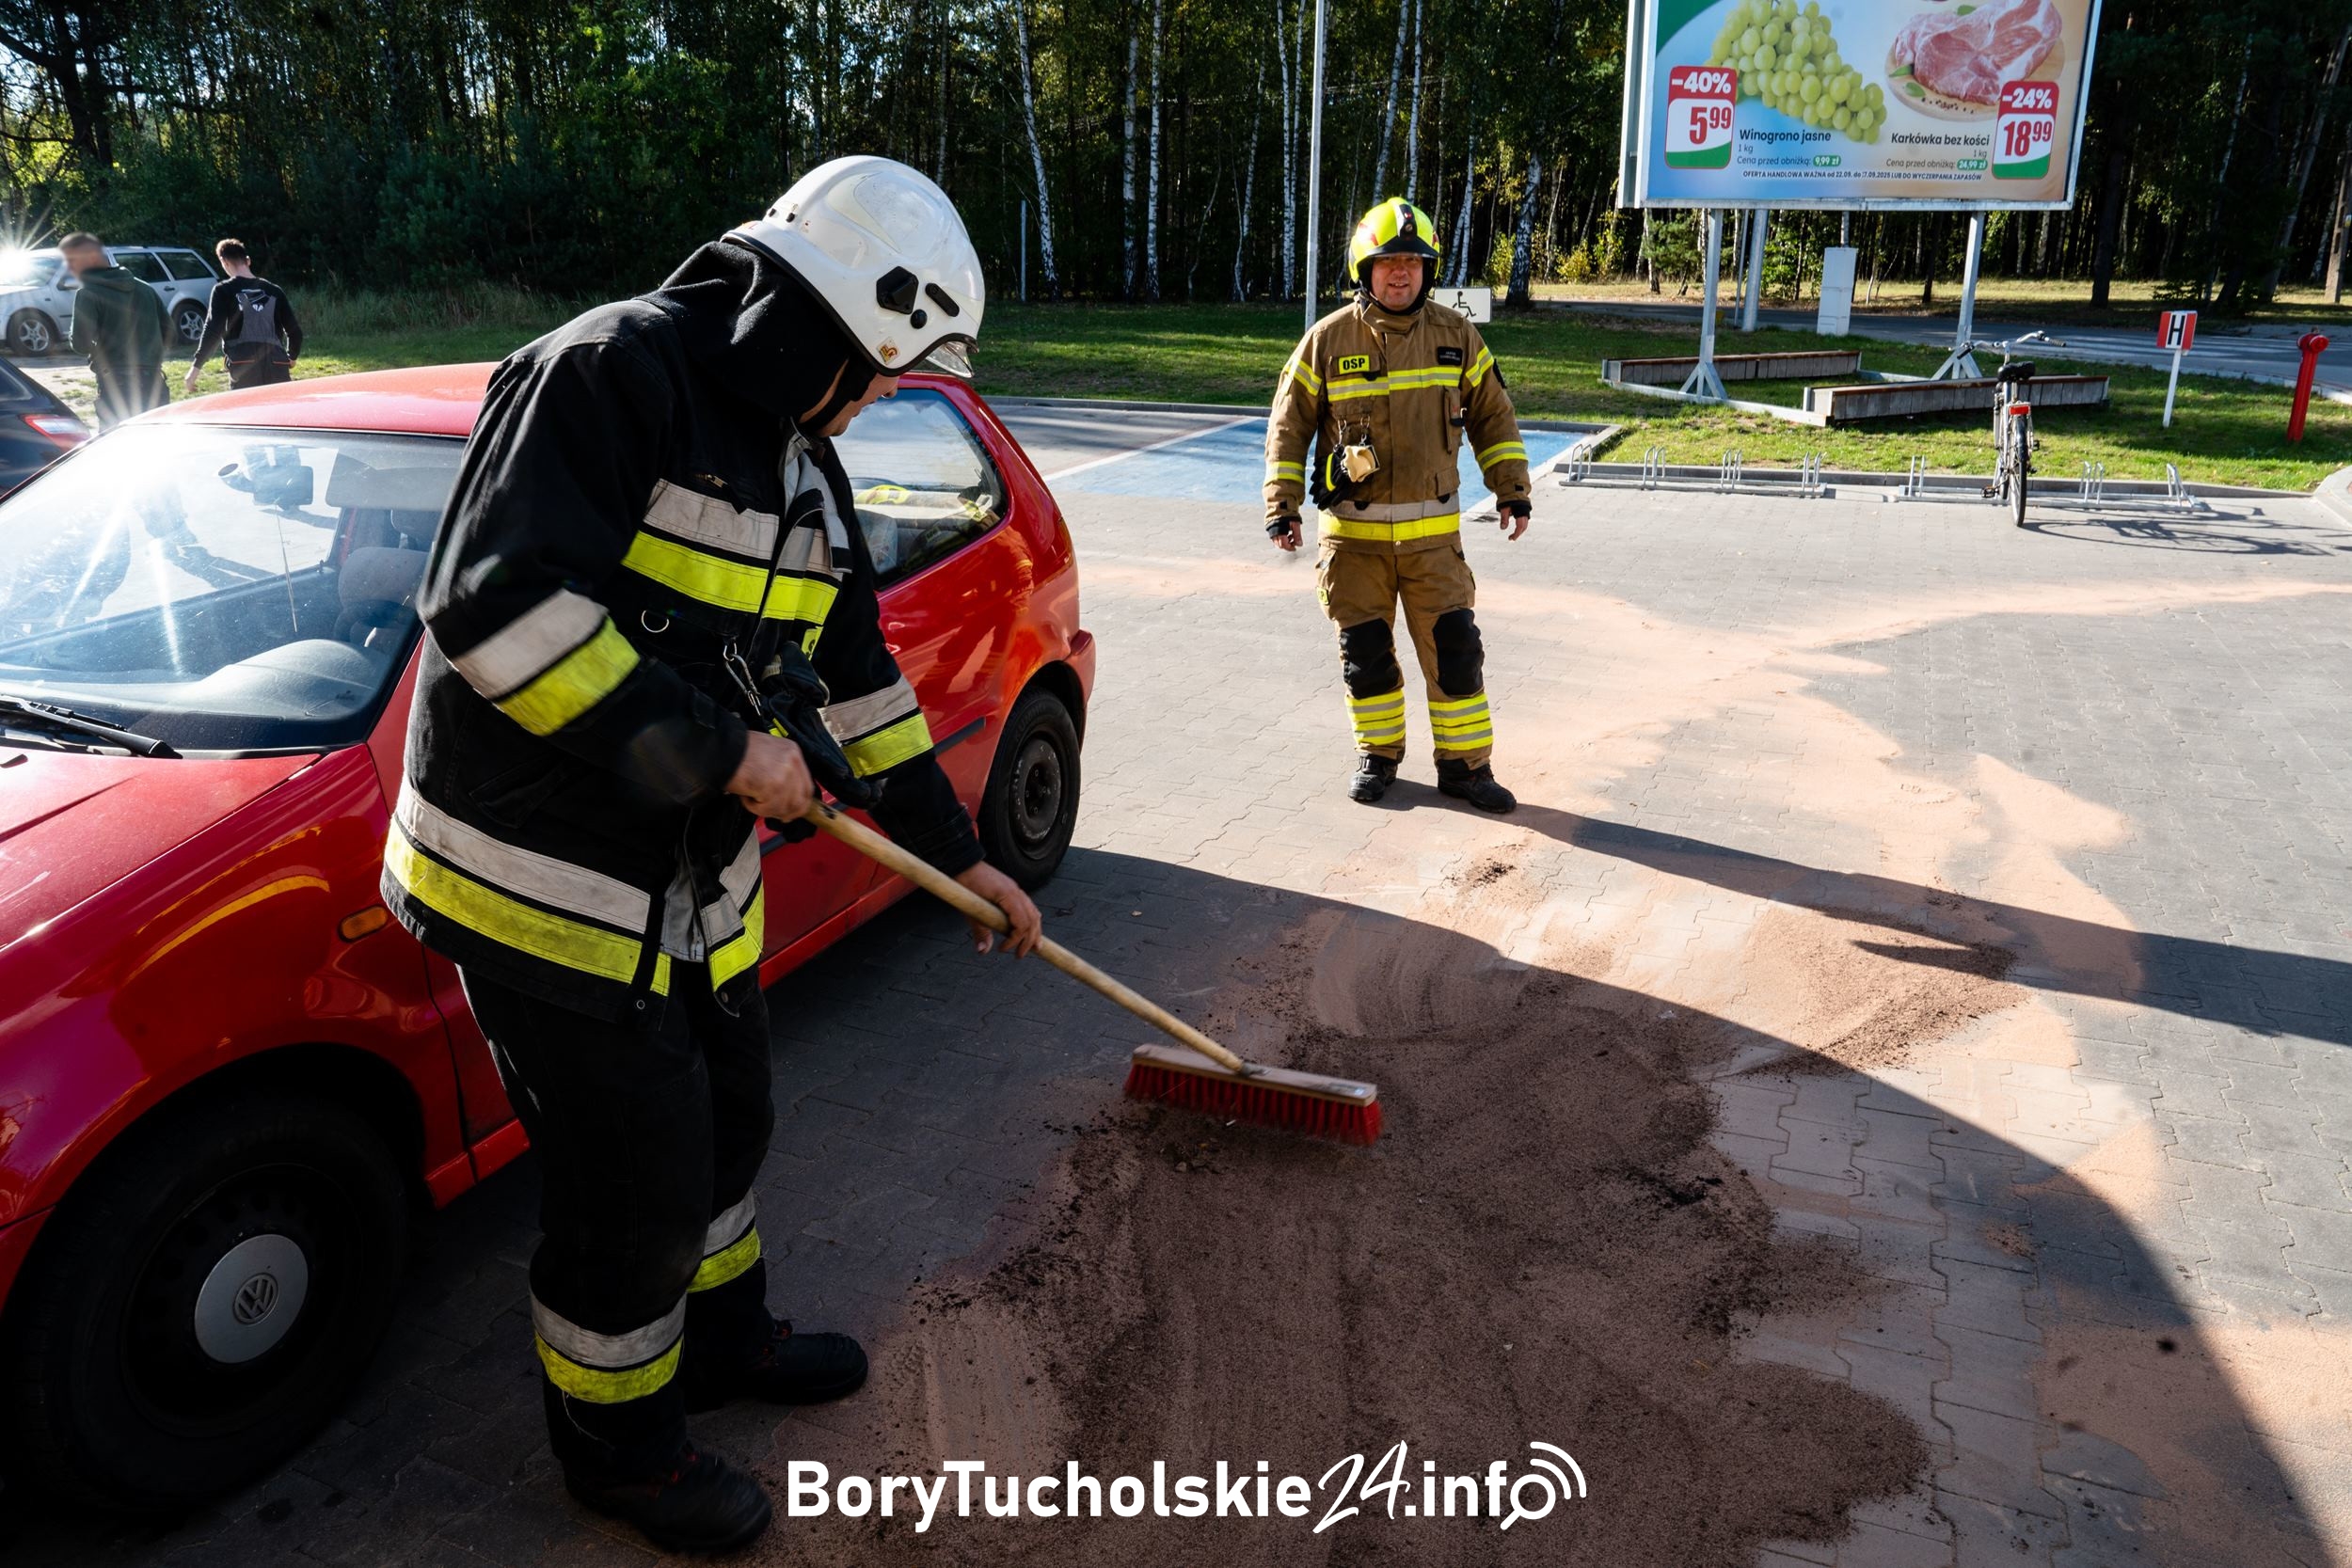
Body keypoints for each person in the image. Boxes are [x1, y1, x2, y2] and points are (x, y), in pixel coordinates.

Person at [380, 156, 1041, 1554]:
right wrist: (725, 753)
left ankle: (724, 1338)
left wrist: (964, 855)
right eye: (875, 372)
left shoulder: (802, 461)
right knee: (636, 1176)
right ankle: (618, 1442)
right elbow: (492, 609)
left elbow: (857, 678)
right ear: (822, 321)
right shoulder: (607, 374)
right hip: (540, 882)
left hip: (687, 877)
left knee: (731, 1113)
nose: (871, 404)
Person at [1263, 197, 1533, 814]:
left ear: (1427, 270)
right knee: (1367, 661)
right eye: (1388, 262)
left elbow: (1494, 415)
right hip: (1353, 546)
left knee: (1457, 656)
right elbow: (1288, 426)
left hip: (1434, 545)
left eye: (1413, 261)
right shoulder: (1328, 340)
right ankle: (1379, 759)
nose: (1401, 272)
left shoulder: (1456, 335)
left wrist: (1512, 490)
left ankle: (1466, 769)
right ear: (1365, 269)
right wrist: (1283, 506)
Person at [61, 233, 168, 430]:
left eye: (72, 261)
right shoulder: (146, 289)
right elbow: (170, 332)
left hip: (116, 383)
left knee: (118, 447)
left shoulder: (87, 293)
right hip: (153, 379)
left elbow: (81, 344)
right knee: (158, 440)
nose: (69, 267)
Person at [184, 238, 302, 392]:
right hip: (277, 363)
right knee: (278, 413)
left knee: (249, 414)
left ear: (224, 263)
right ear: (248, 260)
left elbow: (213, 330)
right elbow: (295, 333)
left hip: (243, 365)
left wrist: (195, 369)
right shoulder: (275, 291)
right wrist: (291, 357)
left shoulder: (223, 290)